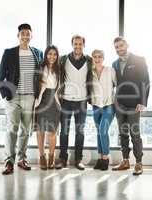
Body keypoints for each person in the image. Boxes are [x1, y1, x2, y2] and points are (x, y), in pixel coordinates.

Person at [0, 23, 43, 175]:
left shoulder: (38, 53)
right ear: (18, 36)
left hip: (30, 96)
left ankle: (21, 159)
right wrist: (6, 94)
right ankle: (8, 161)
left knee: (25, 130)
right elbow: (1, 76)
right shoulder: (9, 53)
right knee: (12, 129)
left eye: (27, 34)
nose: (25, 36)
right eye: (22, 33)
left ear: (31, 35)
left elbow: (41, 75)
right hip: (14, 97)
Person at [111, 37, 150, 175]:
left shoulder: (139, 60)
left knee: (135, 134)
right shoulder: (114, 64)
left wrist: (143, 102)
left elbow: (145, 81)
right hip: (119, 104)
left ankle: (139, 163)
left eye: (121, 45)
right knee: (122, 134)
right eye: (116, 47)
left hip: (134, 104)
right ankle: (125, 160)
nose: (119, 48)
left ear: (127, 45)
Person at [55, 35, 93, 170]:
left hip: (82, 101)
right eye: (75, 44)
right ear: (72, 45)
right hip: (66, 100)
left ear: (84, 45)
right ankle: (62, 159)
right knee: (64, 131)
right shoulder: (64, 59)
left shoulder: (89, 60)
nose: (78, 46)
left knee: (80, 132)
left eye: (80, 44)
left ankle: (78, 160)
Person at [34, 45, 61, 170]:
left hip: (54, 101)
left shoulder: (59, 69)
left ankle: (51, 156)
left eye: (54, 54)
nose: (52, 56)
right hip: (41, 100)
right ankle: (41, 156)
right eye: (49, 54)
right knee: (40, 131)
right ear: (46, 55)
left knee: (52, 131)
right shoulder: (40, 67)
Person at [91, 49, 117, 171]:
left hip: (109, 105)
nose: (97, 59)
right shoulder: (90, 73)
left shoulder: (110, 70)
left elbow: (118, 85)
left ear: (103, 58)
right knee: (98, 132)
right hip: (96, 106)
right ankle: (100, 158)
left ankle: (106, 159)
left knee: (103, 130)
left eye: (99, 56)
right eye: (95, 57)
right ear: (92, 58)